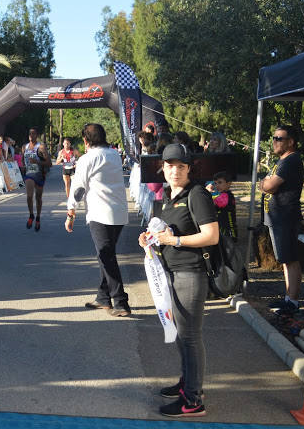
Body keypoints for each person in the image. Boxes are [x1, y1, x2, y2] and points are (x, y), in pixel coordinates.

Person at [137, 143, 218, 417]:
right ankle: (188, 384)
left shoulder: (196, 195)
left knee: (190, 337)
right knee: (184, 337)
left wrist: (175, 240)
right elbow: (162, 231)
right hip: (171, 271)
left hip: (191, 273)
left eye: (180, 166)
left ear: (189, 168)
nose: (174, 171)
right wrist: (148, 240)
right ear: (163, 166)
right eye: (170, 165)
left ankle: (193, 400)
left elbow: (211, 235)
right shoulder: (168, 197)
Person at [64, 124, 131, 317]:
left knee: (105, 256)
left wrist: (71, 214)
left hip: (100, 213)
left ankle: (120, 302)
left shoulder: (87, 159)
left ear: (86, 140)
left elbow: (78, 189)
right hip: (118, 212)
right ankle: (103, 298)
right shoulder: (114, 155)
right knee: (106, 254)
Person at [260, 126, 304, 314]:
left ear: (290, 141)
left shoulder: (291, 160)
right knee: (285, 260)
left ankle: (292, 302)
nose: (275, 141)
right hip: (277, 218)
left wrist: (265, 182)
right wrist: (266, 183)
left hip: (286, 218)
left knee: (291, 260)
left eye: (279, 138)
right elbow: (268, 184)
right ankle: (288, 299)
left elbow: (269, 185)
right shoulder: (282, 161)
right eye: (274, 137)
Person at [22, 127, 51, 231]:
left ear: (36, 135)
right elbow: (23, 161)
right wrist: (23, 167)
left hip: (39, 175)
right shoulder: (24, 147)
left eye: (33, 133)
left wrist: (37, 162)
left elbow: (49, 163)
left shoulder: (41, 147)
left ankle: (38, 217)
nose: (31, 135)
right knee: (29, 196)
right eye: (29, 133)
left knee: (38, 198)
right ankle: (31, 215)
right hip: (29, 174)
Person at [207, 171, 237, 241]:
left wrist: (207, 193)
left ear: (229, 184)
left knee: (227, 249)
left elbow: (212, 203)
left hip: (227, 231)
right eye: (215, 183)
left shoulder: (225, 196)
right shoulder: (225, 195)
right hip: (227, 230)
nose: (217, 185)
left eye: (220, 182)